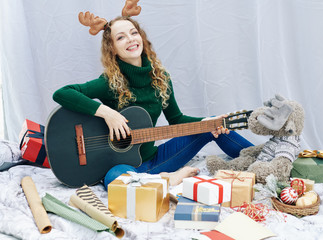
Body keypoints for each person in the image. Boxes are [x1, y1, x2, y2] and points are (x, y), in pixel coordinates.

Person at [53, 15, 253, 189]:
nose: (130, 39)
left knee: (215, 124)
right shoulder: (109, 83)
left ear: (141, 37)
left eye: (133, 33)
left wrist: (209, 121)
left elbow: (177, 119)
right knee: (114, 180)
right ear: (112, 48)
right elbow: (62, 93)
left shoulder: (161, 78)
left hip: (158, 159)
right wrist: (108, 113)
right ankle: (167, 180)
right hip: (124, 167)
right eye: (121, 37)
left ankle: (266, 163)